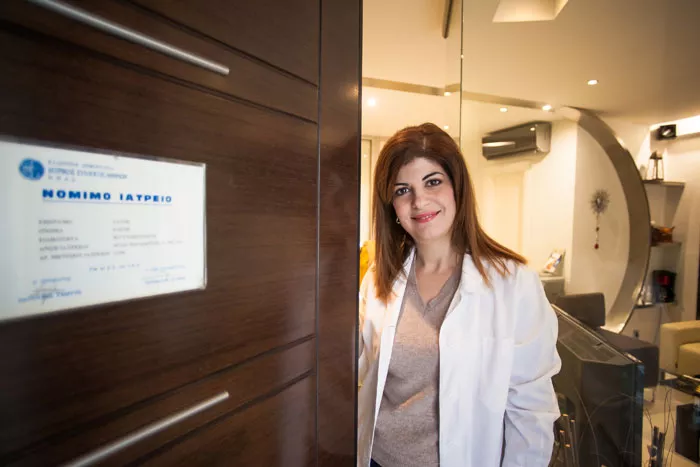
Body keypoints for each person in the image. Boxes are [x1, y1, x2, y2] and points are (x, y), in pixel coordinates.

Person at [357, 123, 561, 467]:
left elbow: (531, 410)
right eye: (403, 190)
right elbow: (359, 366)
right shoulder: (380, 278)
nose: (419, 201)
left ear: (458, 189)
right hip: (378, 459)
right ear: (391, 206)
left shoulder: (513, 284)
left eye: (433, 182)